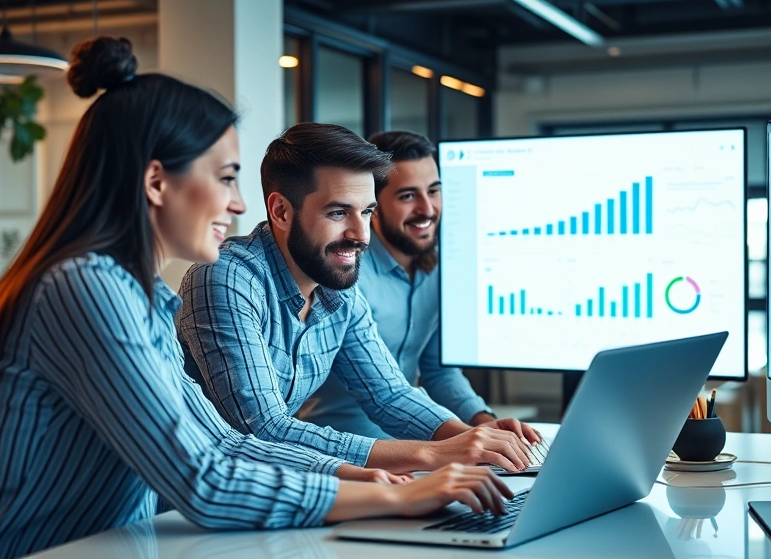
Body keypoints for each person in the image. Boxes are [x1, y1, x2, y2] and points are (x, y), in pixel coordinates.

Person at [0, 37, 511, 559]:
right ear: (156, 183)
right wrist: (400, 495)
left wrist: (358, 476)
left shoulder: (139, 295)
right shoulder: (85, 288)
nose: (240, 204)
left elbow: (221, 441)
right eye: (225, 178)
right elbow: (204, 480)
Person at [177, 123, 541, 476]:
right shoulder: (226, 276)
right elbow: (264, 427)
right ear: (281, 211)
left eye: (366, 211)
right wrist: (434, 453)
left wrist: (476, 438)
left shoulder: (338, 284)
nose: (361, 235)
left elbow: (389, 394)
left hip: (270, 492)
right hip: (179, 510)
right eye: (338, 212)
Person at [301, 131, 497, 438]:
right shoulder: (345, 273)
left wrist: (484, 421)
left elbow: (438, 370)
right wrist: (462, 439)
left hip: (412, 445)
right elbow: (385, 396)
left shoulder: (439, 268)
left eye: (433, 191)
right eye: (408, 196)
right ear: (372, 204)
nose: (427, 209)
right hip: (341, 452)